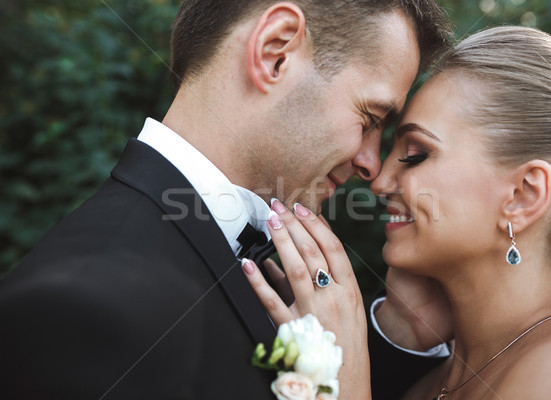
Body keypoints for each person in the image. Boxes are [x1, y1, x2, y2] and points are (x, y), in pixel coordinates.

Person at [0, 1, 451, 399]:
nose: (372, 164)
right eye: (370, 117)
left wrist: (405, 331)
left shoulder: (263, 274)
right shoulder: (83, 311)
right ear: (276, 52)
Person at [244, 26, 551, 399]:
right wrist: (400, 331)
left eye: (416, 155)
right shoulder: (430, 381)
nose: (380, 181)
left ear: (524, 195)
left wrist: (336, 384)